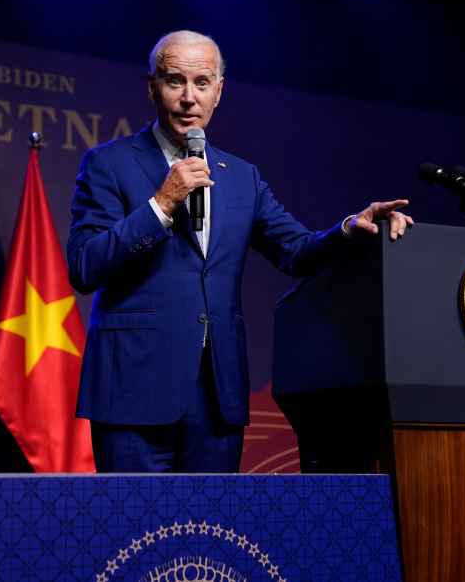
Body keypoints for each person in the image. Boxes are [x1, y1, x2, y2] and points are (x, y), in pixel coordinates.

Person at [67, 30, 412, 473]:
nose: (189, 97)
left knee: (213, 537)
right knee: (137, 536)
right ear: (152, 86)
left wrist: (349, 228)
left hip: (217, 393)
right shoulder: (108, 163)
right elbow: (83, 266)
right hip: (134, 389)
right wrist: (161, 204)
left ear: (219, 92)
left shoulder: (242, 176)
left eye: (202, 83)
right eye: (175, 81)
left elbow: (296, 251)